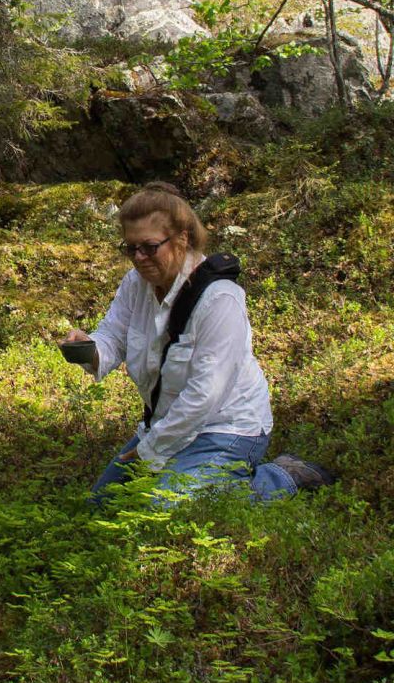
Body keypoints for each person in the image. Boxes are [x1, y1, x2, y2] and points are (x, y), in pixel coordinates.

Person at [62, 182, 334, 503]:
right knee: (102, 506)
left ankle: (282, 476)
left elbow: (205, 394)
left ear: (182, 239)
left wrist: (149, 450)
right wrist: (89, 347)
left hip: (226, 427)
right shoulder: (136, 284)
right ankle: (195, 477)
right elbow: (114, 335)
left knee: (164, 509)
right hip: (168, 425)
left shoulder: (220, 298)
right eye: (130, 248)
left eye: (149, 247)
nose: (139, 258)